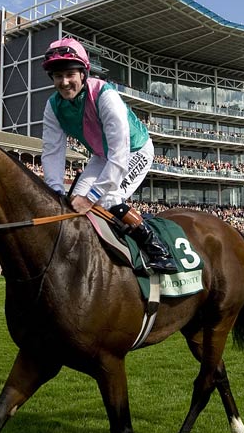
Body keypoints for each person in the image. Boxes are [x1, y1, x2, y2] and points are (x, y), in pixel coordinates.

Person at [40, 37, 175, 273]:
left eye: (70, 74)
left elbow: (120, 154)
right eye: (58, 76)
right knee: (72, 204)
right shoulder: (53, 106)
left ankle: (159, 250)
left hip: (135, 150)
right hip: (102, 156)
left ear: (83, 73)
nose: (64, 82)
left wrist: (92, 196)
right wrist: (56, 192)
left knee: (107, 198)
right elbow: (52, 153)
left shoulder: (104, 95)